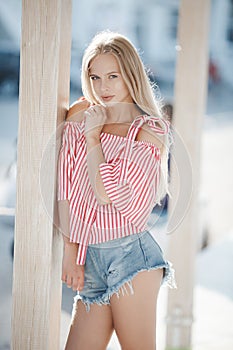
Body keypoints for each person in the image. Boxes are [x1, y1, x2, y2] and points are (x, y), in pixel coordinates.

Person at [57, 31, 176, 350]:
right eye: (94, 77)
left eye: (113, 76)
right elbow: (66, 185)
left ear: (131, 75)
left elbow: (113, 195)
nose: (103, 87)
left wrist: (94, 140)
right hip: (92, 258)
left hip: (131, 259)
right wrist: (71, 249)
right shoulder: (81, 114)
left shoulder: (149, 129)